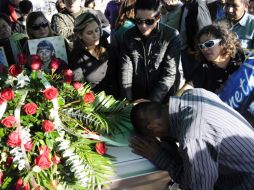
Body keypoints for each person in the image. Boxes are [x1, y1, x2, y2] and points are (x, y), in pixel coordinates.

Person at [129, 88, 254, 190]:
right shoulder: (194, 93)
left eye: (154, 136)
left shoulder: (193, 137)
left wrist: (159, 155)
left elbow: (198, 187)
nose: (158, 139)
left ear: (153, 126)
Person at [120, 0, 185, 103]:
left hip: (163, 97)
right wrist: (127, 100)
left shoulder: (171, 35)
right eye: (139, 21)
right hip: (137, 95)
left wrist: (152, 101)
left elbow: (170, 73)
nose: (143, 26)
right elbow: (126, 70)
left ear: (158, 18)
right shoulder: (128, 35)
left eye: (149, 21)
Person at [190, 24, 254, 125]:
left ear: (223, 41)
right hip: (230, 123)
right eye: (201, 46)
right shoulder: (202, 69)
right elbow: (188, 88)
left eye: (209, 44)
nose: (204, 49)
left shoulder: (245, 58)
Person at [69, 12, 118, 97]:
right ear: (80, 35)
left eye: (97, 30)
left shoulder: (109, 48)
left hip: (118, 99)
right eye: (89, 33)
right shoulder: (76, 56)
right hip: (94, 102)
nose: (95, 35)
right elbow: (78, 84)